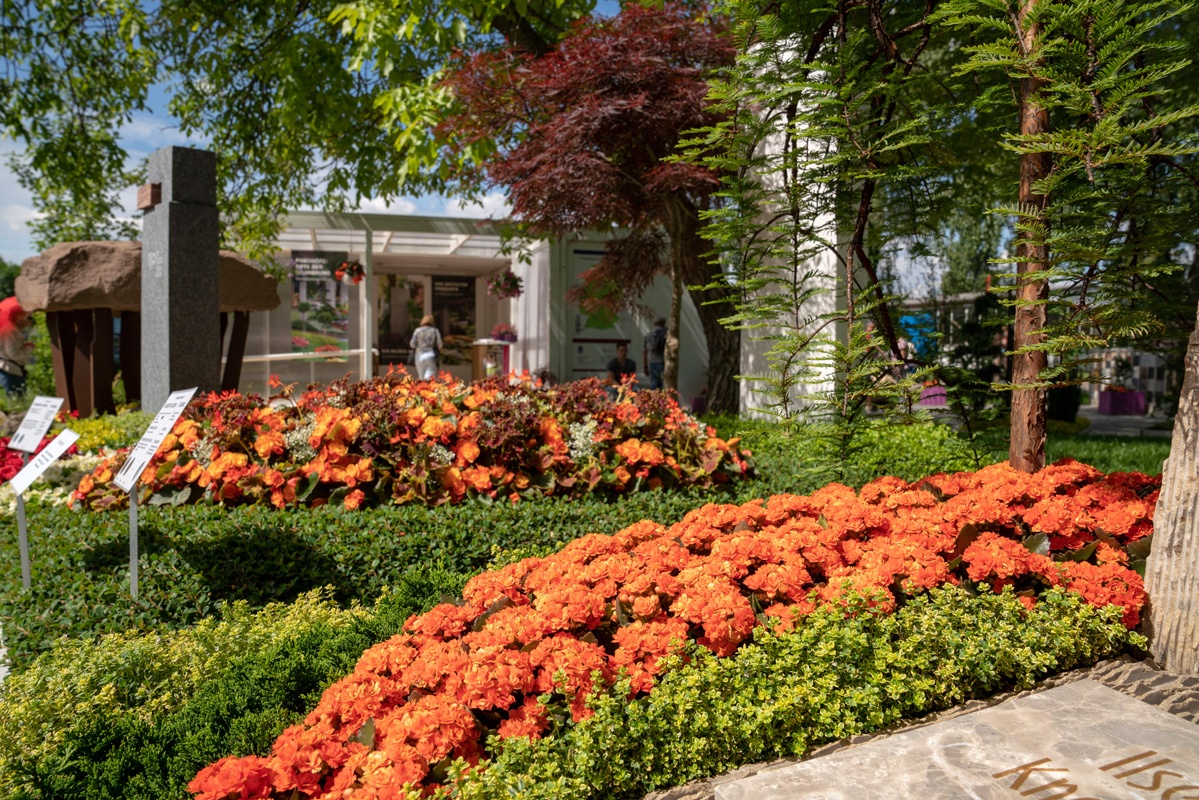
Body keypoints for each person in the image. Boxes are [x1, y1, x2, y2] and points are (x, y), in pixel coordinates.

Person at [0, 298, 32, 398]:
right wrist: (28, 348)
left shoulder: (10, 328)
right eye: (27, 317)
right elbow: (14, 353)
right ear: (19, 316)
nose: (28, 319)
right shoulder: (11, 330)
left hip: (8, 368)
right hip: (11, 369)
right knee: (17, 400)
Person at [409, 314, 443, 380]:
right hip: (430, 355)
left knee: (421, 377)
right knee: (429, 377)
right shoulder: (435, 331)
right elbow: (440, 345)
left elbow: (412, 344)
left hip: (418, 356)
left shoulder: (417, 331)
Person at [643, 316, 666, 391]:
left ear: (654, 323)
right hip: (663, 363)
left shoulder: (648, 334)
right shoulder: (666, 333)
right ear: (663, 323)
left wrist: (645, 366)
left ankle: (654, 402)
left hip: (652, 363)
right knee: (664, 387)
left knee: (654, 387)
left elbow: (644, 352)